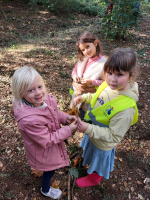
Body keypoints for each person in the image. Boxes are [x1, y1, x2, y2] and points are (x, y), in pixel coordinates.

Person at [74, 48, 139, 188]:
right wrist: (84, 97)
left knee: (98, 162)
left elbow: (114, 136)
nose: (112, 79)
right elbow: (99, 98)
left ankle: (94, 179)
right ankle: (87, 163)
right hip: (92, 132)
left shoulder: (126, 109)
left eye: (119, 74)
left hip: (103, 143)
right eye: (109, 73)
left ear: (131, 76)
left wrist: (88, 128)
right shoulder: (109, 84)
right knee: (89, 152)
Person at [12, 66, 78, 199]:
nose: (37, 93)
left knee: (49, 169)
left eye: (39, 87)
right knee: (49, 170)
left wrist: (65, 117)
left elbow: (53, 113)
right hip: (43, 151)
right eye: (30, 90)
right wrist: (68, 130)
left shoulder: (41, 100)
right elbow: (47, 140)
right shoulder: (29, 120)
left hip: (47, 148)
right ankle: (45, 189)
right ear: (20, 93)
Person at [69, 31, 106, 118]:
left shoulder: (103, 64)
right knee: (74, 111)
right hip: (77, 91)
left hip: (89, 96)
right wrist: (74, 76)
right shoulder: (83, 58)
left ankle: (81, 124)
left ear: (95, 43)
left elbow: (105, 82)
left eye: (87, 46)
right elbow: (75, 70)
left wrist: (91, 82)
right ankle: (72, 124)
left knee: (83, 113)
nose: (86, 51)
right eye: (83, 50)